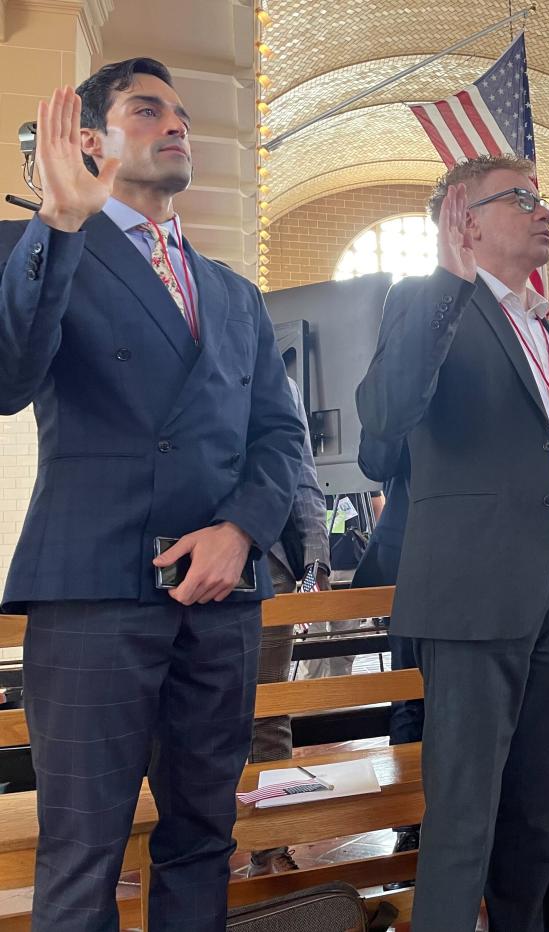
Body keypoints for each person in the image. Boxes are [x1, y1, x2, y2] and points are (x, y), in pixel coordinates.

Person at [0, 63, 303, 930]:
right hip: (94, 590)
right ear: (88, 141)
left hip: (219, 601)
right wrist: (60, 221)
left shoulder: (235, 295)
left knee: (205, 836)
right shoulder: (41, 247)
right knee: (83, 847)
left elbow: (280, 437)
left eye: (182, 113)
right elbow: (8, 378)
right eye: (147, 110)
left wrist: (241, 531)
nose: (176, 125)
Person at [355, 154, 549, 932]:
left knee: (540, 807)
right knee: (465, 813)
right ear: (465, 217)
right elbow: (382, 429)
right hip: (473, 592)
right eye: (523, 199)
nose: (544, 211)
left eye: (543, 197)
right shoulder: (428, 303)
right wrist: (445, 282)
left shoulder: (547, 333)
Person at [249, 377, 331, 876]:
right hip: (183, 559)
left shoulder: (279, 379)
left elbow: (301, 470)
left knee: (268, 712)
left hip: (270, 564)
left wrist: (315, 559)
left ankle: (270, 847)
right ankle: (197, 853)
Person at [354, 430, 423, 878]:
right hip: (411, 548)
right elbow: (376, 458)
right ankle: (410, 822)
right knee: (410, 694)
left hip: (482, 545)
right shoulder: (407, 368)